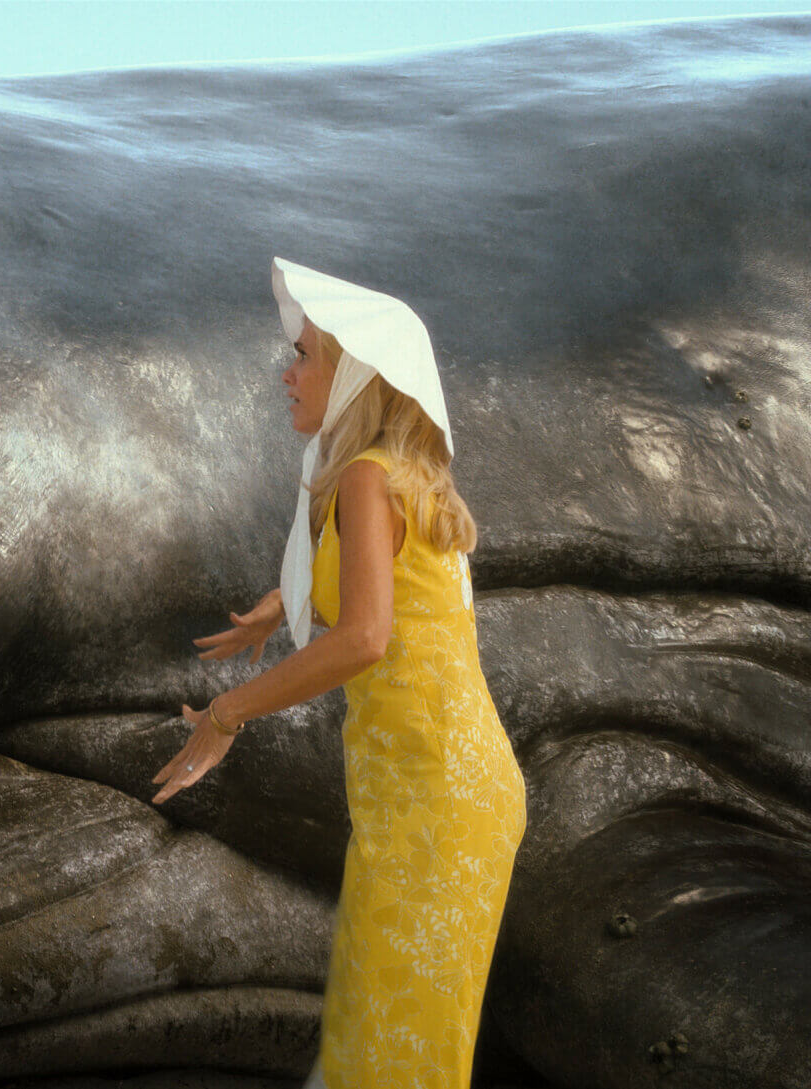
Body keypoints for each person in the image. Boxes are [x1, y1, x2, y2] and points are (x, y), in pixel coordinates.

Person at [153, 258, 525, 1089]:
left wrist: (227, 715)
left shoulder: (363, 478)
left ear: (355, 378)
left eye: (309, 357)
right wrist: (275, 609)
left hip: (435, 800)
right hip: (440, 794)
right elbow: (386, 598)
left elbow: (364, 636)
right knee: (387, 1041)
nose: (289, 372)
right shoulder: (394, 473)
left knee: (396, 1055)